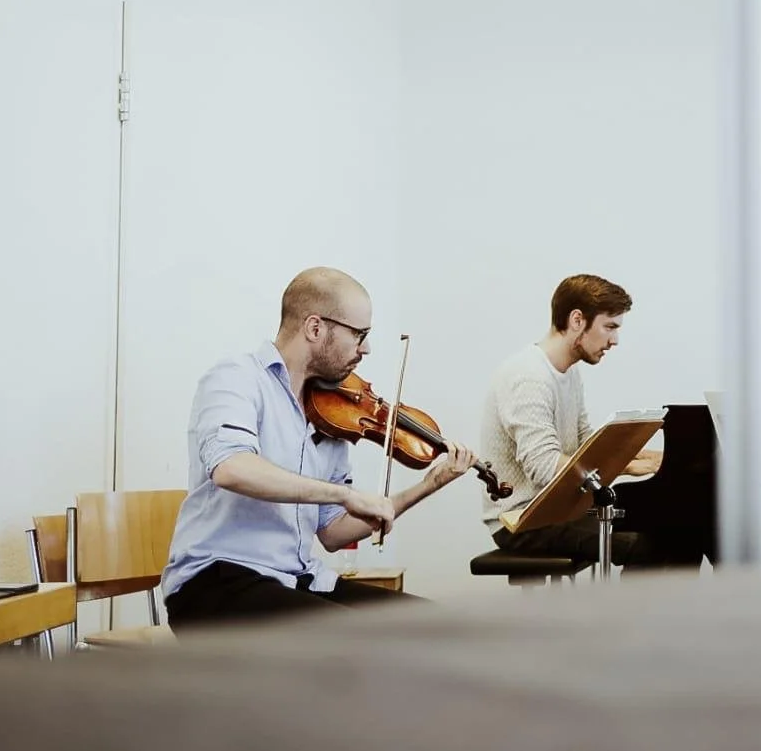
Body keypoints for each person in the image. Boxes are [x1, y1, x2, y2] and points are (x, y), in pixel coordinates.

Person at [162, 267, 479, 629]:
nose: (366, 348)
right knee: (365, 640)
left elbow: (332, 533)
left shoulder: (330, 413)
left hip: (298, 580)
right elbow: (232, 468)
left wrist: (427, 486)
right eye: (359, 334)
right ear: (315, 328)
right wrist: (344, 495)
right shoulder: (236, 378)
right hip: (215, 582)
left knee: (439, 626)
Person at [480, 274, 706, 569]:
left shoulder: (569, 372)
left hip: (563, 507)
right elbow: (543, 466)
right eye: (609, 327)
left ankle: (674, 600)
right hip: (525, 519)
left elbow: (587, 445)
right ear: (577, 320)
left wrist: (656, 459)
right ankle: (641, 602)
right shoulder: (528, 377)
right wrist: (626, 465)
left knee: (685, 523)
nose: (615, 340)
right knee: (647, 543)